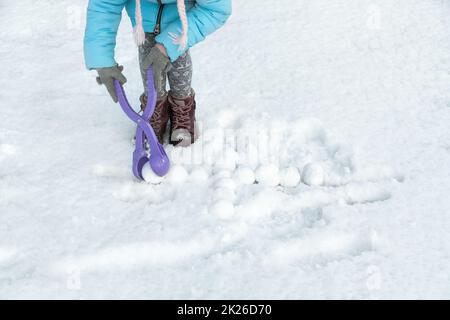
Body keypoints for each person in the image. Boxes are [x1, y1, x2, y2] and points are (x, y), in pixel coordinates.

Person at [84, 0, 232, 146]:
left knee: (179, 66)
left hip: (179, 26)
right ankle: (154, 111)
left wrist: (166, 47)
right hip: (144, 24)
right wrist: (102, 60)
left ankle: (182, 109)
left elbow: (217, 9)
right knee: (149, 68)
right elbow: (104, 6)